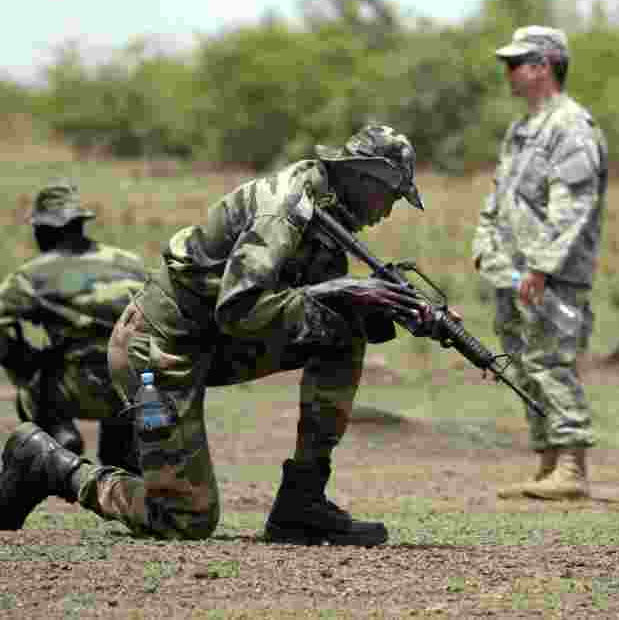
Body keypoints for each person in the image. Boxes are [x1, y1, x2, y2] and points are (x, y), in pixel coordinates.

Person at [0, 124, 439, 545]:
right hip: (157, 352)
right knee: (183, 518)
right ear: (366, 177)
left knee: (344, 331)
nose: (386, 212)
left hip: (209, 343)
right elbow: (240, 308)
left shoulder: (326, 212)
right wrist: (341, 292)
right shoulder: (285, 207)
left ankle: (302, 501)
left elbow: (304, 308)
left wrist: (386, 311)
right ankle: (50, 464)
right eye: (391, 197)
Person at [472, 25, 608, 500]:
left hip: (550, 276)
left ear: (544, 65)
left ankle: (571, 466)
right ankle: (548, 461)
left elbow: (572, 205)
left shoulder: (570, 127)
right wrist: (486, 249)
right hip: (512, 270)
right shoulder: (522, 130)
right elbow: (501, 196)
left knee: (551, 361)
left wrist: (544, 266)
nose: (507, 73)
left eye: (515, 63)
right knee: (525, 365)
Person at [0, 181, 148, 471]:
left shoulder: (33, 275)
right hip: (134, 388)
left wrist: (22, 359)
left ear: (44, 229)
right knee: (121, 363)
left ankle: (58, 434)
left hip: (74, 388)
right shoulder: (131, 263)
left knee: (31, 388)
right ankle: (122, 452)